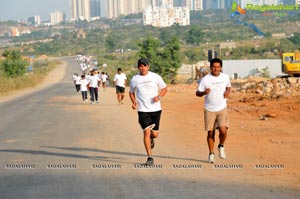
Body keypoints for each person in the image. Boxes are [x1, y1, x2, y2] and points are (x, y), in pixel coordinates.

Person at [129, 58, 168, 166]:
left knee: (154, 134)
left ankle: (151, 138)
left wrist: (159, 96)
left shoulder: (155, 77)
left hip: (156, 109)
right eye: (140, 66)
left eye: (144, 66)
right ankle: (150, 157)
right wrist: (134, 102)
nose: (143, 68)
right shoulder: (135, 79)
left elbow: (165, 88)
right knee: (146, 131)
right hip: (142, 110)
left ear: (148, 66)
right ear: (138, 67)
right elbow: (131, 92)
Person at [196, 58, 231, 164]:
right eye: (214, 67)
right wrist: (204, 93)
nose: (216, 69)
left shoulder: (225, 77)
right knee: (210, 133)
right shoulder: (205, 79)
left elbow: (228, 86)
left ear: (221, 67)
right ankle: (211, 153)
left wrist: (227, 93)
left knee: (223, 130)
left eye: (218, 67)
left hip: (222, 108)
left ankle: (221, 146)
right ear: (210, 67)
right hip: (209, 109)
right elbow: (197, 93)